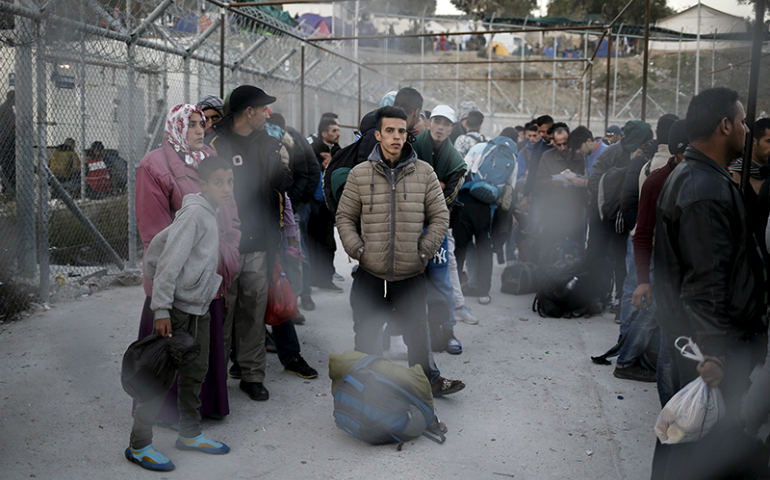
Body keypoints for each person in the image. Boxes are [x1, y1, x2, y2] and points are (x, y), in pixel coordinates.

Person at [651, 88, 768, 479]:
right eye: (742, 121)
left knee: (685, 433)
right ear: (725, 125)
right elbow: (707, 279)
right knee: (700, 442)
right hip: (710, 345)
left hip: (695, 337)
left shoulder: (697, 175)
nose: (746, 129)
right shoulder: (706, 190)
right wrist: (714, 352)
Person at [336, 106, 465, 398]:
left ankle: (427, 381)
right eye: (390, 131)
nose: (396, 137)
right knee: (366, 336)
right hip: (371, 274)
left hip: (410, 274)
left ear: (408, 135)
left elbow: (440, 217)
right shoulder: (360, 174)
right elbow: (344, 216)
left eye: (402, 131)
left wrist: (424, 250)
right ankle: (367, 390)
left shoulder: (424, 173)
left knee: (418, 336)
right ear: (378, 135)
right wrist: (357, 249)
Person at [206, 85, 317, 403]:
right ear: (248, 112)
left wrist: (276, 166)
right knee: (221, 317)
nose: (268, 113)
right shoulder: (216, 142)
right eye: (263, 109)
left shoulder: (269, 142)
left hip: (258, 243)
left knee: (253, 315)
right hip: (223, 243)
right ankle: (215, 377)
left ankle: (252, 376)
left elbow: (283, 183)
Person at [126, 155, 234, 472]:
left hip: (199, 306)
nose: (227, 189)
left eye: (230, 182)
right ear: (202, 185)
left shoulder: (211, 213)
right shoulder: (194, 216)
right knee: (161, 378)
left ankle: (189, 432)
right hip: (176, 309)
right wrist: (161, 310)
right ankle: (139, 445)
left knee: (195, 371)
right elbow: (169, 264)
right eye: (219, 182)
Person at [135, 104, 238, 429]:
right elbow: (158, 238)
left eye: (202, 123)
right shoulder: (154, 166)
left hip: (207, 282)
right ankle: (145, 435)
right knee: (168, 361)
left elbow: (231, 219)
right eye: (191, 124)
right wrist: (161, 303)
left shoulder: (210, 162)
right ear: (176, 127)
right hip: (177, 289)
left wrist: (228, 255)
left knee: (199, 362)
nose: (199, 129)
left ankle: (193, 424)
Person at [629, 119, 689, 404]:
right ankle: (673, 412)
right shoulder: (656, 180)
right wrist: (643, 280)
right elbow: (642, 233)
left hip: (694, 281)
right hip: (662, 272)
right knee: (666, 339)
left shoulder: (714, 179)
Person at [413, 104, 473, 351]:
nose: (441, 127)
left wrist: (424, 189)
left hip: (436, 227)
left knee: (442, 279)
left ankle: (448, 331)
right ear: (428, 122)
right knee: (407, 281)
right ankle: (405, 334)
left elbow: (448, 196)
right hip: (408, 226)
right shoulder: (411, 145)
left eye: (447, 124)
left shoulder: (457, 161)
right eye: (437, 121)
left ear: (452, 129)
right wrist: (434, 184)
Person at [534, 125, 586, 264]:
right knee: (548, 249)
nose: (563, 147)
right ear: (554, 143)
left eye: (565, 143)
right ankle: (544, 280)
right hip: (553, 211)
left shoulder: (580, 155)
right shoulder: (547, 157)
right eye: (559, 144)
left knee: (576, 250)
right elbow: (538, 182)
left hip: (575, 211)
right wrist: (552, 182)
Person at [309, 117, 342, 292]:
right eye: (334, 131)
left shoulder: (338, 151)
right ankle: (313, 277)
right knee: (313, 242)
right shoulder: (313, 149)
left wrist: (332, 164)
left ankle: (326, 278)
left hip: (329, 205)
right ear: (324, 133)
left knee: (329, 243)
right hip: (314, 205)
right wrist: (321, 167)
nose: (338, 133)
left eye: (338, 130)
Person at [0, 90, 15, 194]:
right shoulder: (7, 109)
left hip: (5, 142)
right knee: (8, 165)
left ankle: (7, 187)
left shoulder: (5, 108)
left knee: (7, 165)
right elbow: (10, 126)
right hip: (6, 142)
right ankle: (8, 188)